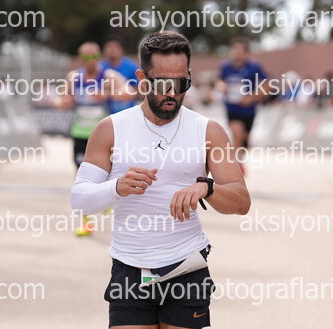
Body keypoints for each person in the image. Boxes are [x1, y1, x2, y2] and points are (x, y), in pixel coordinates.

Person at [71, 31, 250, 329]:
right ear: (143, 79)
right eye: (163, 83)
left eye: (181, 84)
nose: (172, 94)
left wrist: (206, 188)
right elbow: (80, 200)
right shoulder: (110, 129)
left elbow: (241, 202)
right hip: (130, 266)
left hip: (187, 264)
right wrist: (116, 187)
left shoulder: (208, 131)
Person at [59, 41, 132, 236]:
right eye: (85, 57)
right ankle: (86, 223)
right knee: (80, 176)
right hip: (80, 133)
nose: (89, 60)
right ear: (80, 58)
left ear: (99, 57)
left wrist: (108, 94)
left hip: (103, 135)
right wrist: (65, 101)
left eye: (93, 56)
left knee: (107, 172)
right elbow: (62, 99)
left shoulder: (108, 76)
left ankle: (106, 200)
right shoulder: (74, 77)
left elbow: (129, 93)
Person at [218, 37, 269, 172]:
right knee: (236, 132)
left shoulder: (254, 67)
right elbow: (219, 81)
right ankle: (236, 165)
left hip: (249, 110)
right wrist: (222, 86)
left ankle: (240, 157)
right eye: (235, 49)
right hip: (232, 108)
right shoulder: (225, 66)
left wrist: (252, 97)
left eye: (241, 50)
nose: (237, 53)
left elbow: (267, 85)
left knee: (243, 139)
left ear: (246, 53)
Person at [100, 34, 140, 114]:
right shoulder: (100, 67)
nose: (112, 49)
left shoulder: (131, 67)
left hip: (127, 110)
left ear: (122, 50)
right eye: (109, 46)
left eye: (116, 47)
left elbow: (138, 90)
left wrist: (121, 93)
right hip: (105, 112)